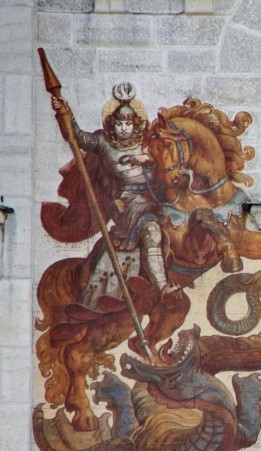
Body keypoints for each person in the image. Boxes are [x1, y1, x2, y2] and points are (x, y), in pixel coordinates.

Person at [50, 82, 171, 309]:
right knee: (151, 231)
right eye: (120, 123)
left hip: (155, 198)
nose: (124, 128)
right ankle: (164, 288)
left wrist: (151, 159)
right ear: (112, 125)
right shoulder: (104, 143)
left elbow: (169, 161)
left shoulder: (149, 143)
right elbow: (76, 138)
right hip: (126, 202)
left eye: (128, 123)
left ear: (135, 125)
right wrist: (64, 112)